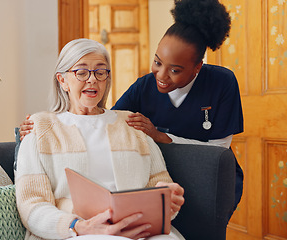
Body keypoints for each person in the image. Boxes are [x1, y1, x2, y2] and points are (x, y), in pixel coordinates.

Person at [20, 0, 244, 212]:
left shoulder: (222, 83)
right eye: (157, 62)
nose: (161, 76)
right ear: (62, 80)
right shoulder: (144, 87)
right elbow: (109, 121)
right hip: (165, 179)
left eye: (175, 70)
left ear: (197, 68)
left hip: (209, 174)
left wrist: (160, 136)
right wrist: (41, 129)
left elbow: (218, 148)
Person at [15, 38, 185, 240]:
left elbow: (162, 187)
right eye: (81, 72)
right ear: (62, 80)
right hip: (75, 232)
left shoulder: (132, 124)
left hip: (139, 230)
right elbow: (31, 205)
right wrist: (78, 226)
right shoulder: (40, 128)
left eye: (100, 72)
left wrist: (167, 199)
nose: (92, 79)